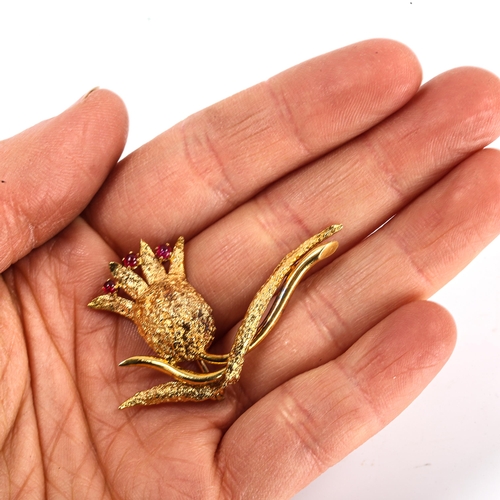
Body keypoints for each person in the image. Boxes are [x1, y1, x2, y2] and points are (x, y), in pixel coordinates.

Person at [1, 38, 499, 499]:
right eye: (182, 327)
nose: (191, 326)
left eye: (190, 320)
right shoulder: (194, 359)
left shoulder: (209, 353)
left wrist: (297, 263)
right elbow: (229, 344)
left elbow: (252, 321)